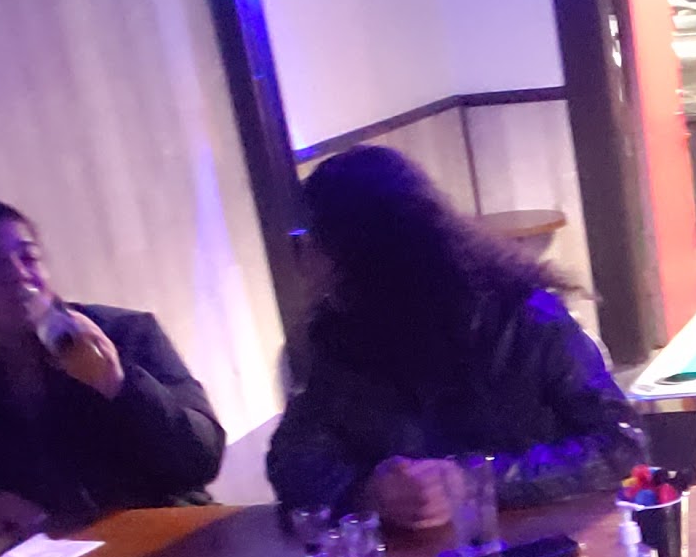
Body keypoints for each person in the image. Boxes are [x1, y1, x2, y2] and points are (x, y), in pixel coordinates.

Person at [266, 146, 645, 528]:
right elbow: (292, 460)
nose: (302, 259)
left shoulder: (524, 317)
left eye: (308, 238)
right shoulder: (340, 335)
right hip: (410, 556)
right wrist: (368, 493)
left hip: (536, 541)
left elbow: (621, 446)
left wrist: (474, 479)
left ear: (358, 249)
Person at [0, 199, 225, 542]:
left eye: (29, 257)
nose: (19, 274)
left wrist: (120, 384)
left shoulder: (125, 333)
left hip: (158, 540)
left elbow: (202, 459)